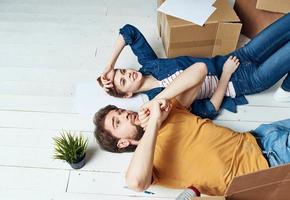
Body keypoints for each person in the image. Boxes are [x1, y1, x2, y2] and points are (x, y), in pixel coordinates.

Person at [93, 77, 290, 195]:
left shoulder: (166, 113)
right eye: (117, 122)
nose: (125, 114)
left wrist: (158, 100)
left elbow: (199, 71)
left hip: (262, 135)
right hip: (268, 165)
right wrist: (153, 123)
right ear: (123, 143)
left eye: (120, 111)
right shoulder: (148, 164)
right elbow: (135, 183)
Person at [97, 13, 290, 119]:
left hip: (238, 56)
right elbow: (208, 109)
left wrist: (109, 65)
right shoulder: (159, 102)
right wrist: (225, 75)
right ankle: (287, 88)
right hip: (245, 81)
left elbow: (130, 31)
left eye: (122, 71)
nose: (127, 74)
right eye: (122, 81)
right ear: (127, 94)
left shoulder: (150, 64)